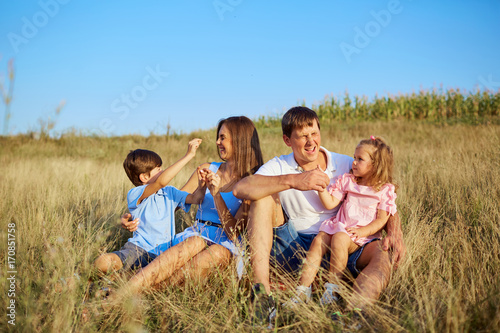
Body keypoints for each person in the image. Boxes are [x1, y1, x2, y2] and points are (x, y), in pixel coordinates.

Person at [232, 107, 405, 326]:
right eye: (302, 136)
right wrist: (294, 181)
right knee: (262, 197)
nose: (310, 141)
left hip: (341, 246)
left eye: (314, 133)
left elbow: (383, 193)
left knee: (383, 253)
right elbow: (241, 189)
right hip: (292, 246)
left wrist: (395, 232)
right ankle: (262, 297)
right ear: (287, 140)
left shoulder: (346, 164)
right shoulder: (280, 165)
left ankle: (352, 315)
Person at [119, 116, 264, 294]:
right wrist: (132, 217)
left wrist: (216, 193)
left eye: (223, 137)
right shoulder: (207, 168)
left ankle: (139, 292)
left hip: (226, 245)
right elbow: (172, 203)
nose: (217, 142)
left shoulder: (252, 181)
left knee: (215, 252)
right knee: (195, 241)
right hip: (195, 236)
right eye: (218, 137)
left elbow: (233, 234)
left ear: (240, 140)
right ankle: (122, 295)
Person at [289, 136, 397, 308]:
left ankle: (332, 289)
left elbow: (382, 220)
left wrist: (363, 232)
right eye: (354, 157)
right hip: (339, 226)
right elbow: (331, 202)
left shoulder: (384, 190)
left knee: (340, 238)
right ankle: (302, 290)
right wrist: (322, 188)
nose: (353, 162)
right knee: (318, 242)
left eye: (360, 159)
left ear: (375, 165)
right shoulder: (348, 181)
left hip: (361, 237)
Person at [93, 139, 205, 276]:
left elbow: (196, 199)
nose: (163, 171)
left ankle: (121, 278)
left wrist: (203, 184)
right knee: (105, 261)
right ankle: (86, 276)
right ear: (144, 177)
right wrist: (188, 155)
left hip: (164, 254)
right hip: (139, 249)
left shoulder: (170, 191)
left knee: (143, 276)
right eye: (159, 169)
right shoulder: (136, 193)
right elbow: (161, 181)